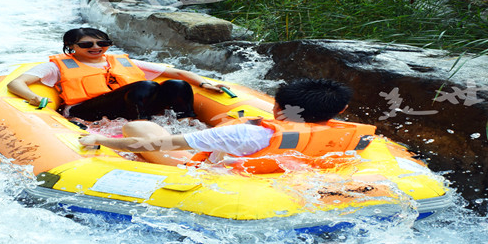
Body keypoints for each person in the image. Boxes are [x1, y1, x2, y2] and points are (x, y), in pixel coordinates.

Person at [78, 78, 354, 169]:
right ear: (341, 109)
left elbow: (158, 143)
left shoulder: (246, 133)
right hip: (286, 177)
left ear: (277, 106)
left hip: (217, 177)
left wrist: (99, 140)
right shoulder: (349, 134)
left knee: (138, 127)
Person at [7, 27, 225, 120]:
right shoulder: (57, 66)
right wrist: (34, 98)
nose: (96, 47)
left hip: (127, 104)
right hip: (86, 110)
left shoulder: (120, 61)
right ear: (71, 46)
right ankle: (143, 126)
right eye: (87, 44)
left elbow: (177, 72)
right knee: (147, 86)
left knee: (175, 85)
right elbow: (16, 83)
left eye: (102, 42)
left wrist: (205, 85)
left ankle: (186, 122)